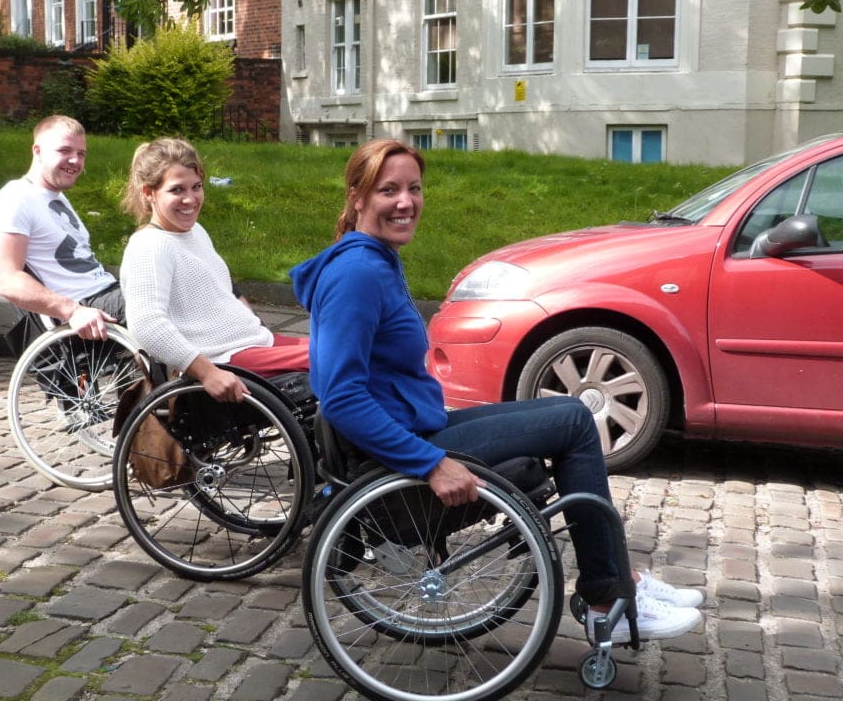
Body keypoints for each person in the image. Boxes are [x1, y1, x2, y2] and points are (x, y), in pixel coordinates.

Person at [290, 138, 703, 643]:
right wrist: (431, 464)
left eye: (414, 189)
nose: (405, 202)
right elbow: (340, 395)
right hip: (397, 453)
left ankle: (620, 582)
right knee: (573, 421)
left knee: (568, 416)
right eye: (388, 190)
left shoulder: (375, 259)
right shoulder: (356, 273)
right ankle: (606, 598)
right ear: (357, 197)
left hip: (420, 426)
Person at [120, 137, 309, 403]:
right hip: (225, 358)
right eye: (177, 190)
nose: (190, 199)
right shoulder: (150, 246)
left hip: (253, 342)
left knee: (351, 348)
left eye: (196, 187)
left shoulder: (195, 232)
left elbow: (223, 291)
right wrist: (207, 373)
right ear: (149, 193)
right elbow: (147, 325)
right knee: (339, 359)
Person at [0, 115, 124, 341]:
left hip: (106, 292)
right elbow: (6, 280)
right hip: (86, 305)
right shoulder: (15, 199)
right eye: (64, 151)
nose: (75, 161)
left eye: (81, 154)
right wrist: (73, 310)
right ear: (37, 151)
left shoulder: (55, 197)